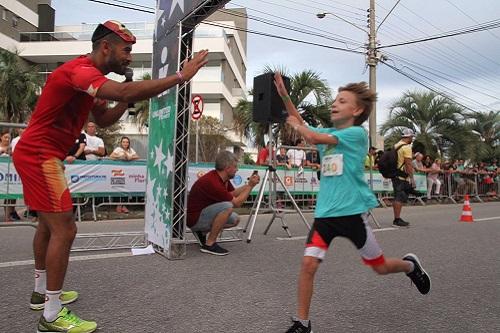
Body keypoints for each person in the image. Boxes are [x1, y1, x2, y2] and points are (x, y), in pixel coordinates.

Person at [12, 20, 208, 333]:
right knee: (66, 229)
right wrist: (181, 76)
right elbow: (124, 89)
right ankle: (51, 315)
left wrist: (127, 101)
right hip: (39, 155)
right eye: (126, 50)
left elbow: (103, 119)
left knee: (48, 227)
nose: (129, 58)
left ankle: (41, 293)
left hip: (41, 154)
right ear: (106, 47)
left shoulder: (91, 80)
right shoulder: (80, 71)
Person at [274, 72, 431, 333]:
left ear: (357, 110)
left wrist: (300, 127)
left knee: (379, 267)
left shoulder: (356, 135)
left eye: (342, 100)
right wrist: (284, 96)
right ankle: (302, 323)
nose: (335, 103)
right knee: (308, 264)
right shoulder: (329, 134)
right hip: (325, 215)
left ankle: (410, 266)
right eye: (335, 99)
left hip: (352, 214)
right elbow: (305, 125)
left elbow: (311, 135)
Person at [187, 151, 260, 255]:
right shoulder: (213, 182)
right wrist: (250, 186)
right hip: (194, 219)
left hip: (202, 214)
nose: (237, 169)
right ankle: (209, 244)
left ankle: (202, 232)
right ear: (227, 168)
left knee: (235, 220)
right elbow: (237, 203)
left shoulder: (221, 178)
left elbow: (232, 194)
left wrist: (248, 184)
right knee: (228, 207)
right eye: (235, 167)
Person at [391, 129, 416, 227]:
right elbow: (408, 164)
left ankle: (397, 218)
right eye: (411, 137)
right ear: (408, 137)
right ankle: (397, 220)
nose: (412, 139)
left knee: (399, 196)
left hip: (395, 174)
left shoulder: (396, 145)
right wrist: (412, 178)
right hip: (401, 176)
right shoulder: (406, 147)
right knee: (399, 197)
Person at [109, 136, 140, 213]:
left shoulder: (130, 150)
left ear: (129, 143)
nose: (125, 143)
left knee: (127, 187)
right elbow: (111, 156)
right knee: (118, 187)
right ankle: (118, 205)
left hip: (128, 173)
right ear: (121, 143)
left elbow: (137, 157)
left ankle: (124, 206)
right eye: (124, 142)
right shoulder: (118, 149)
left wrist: (129, 157)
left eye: (127, 142)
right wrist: (120, 156)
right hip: (118, 172)